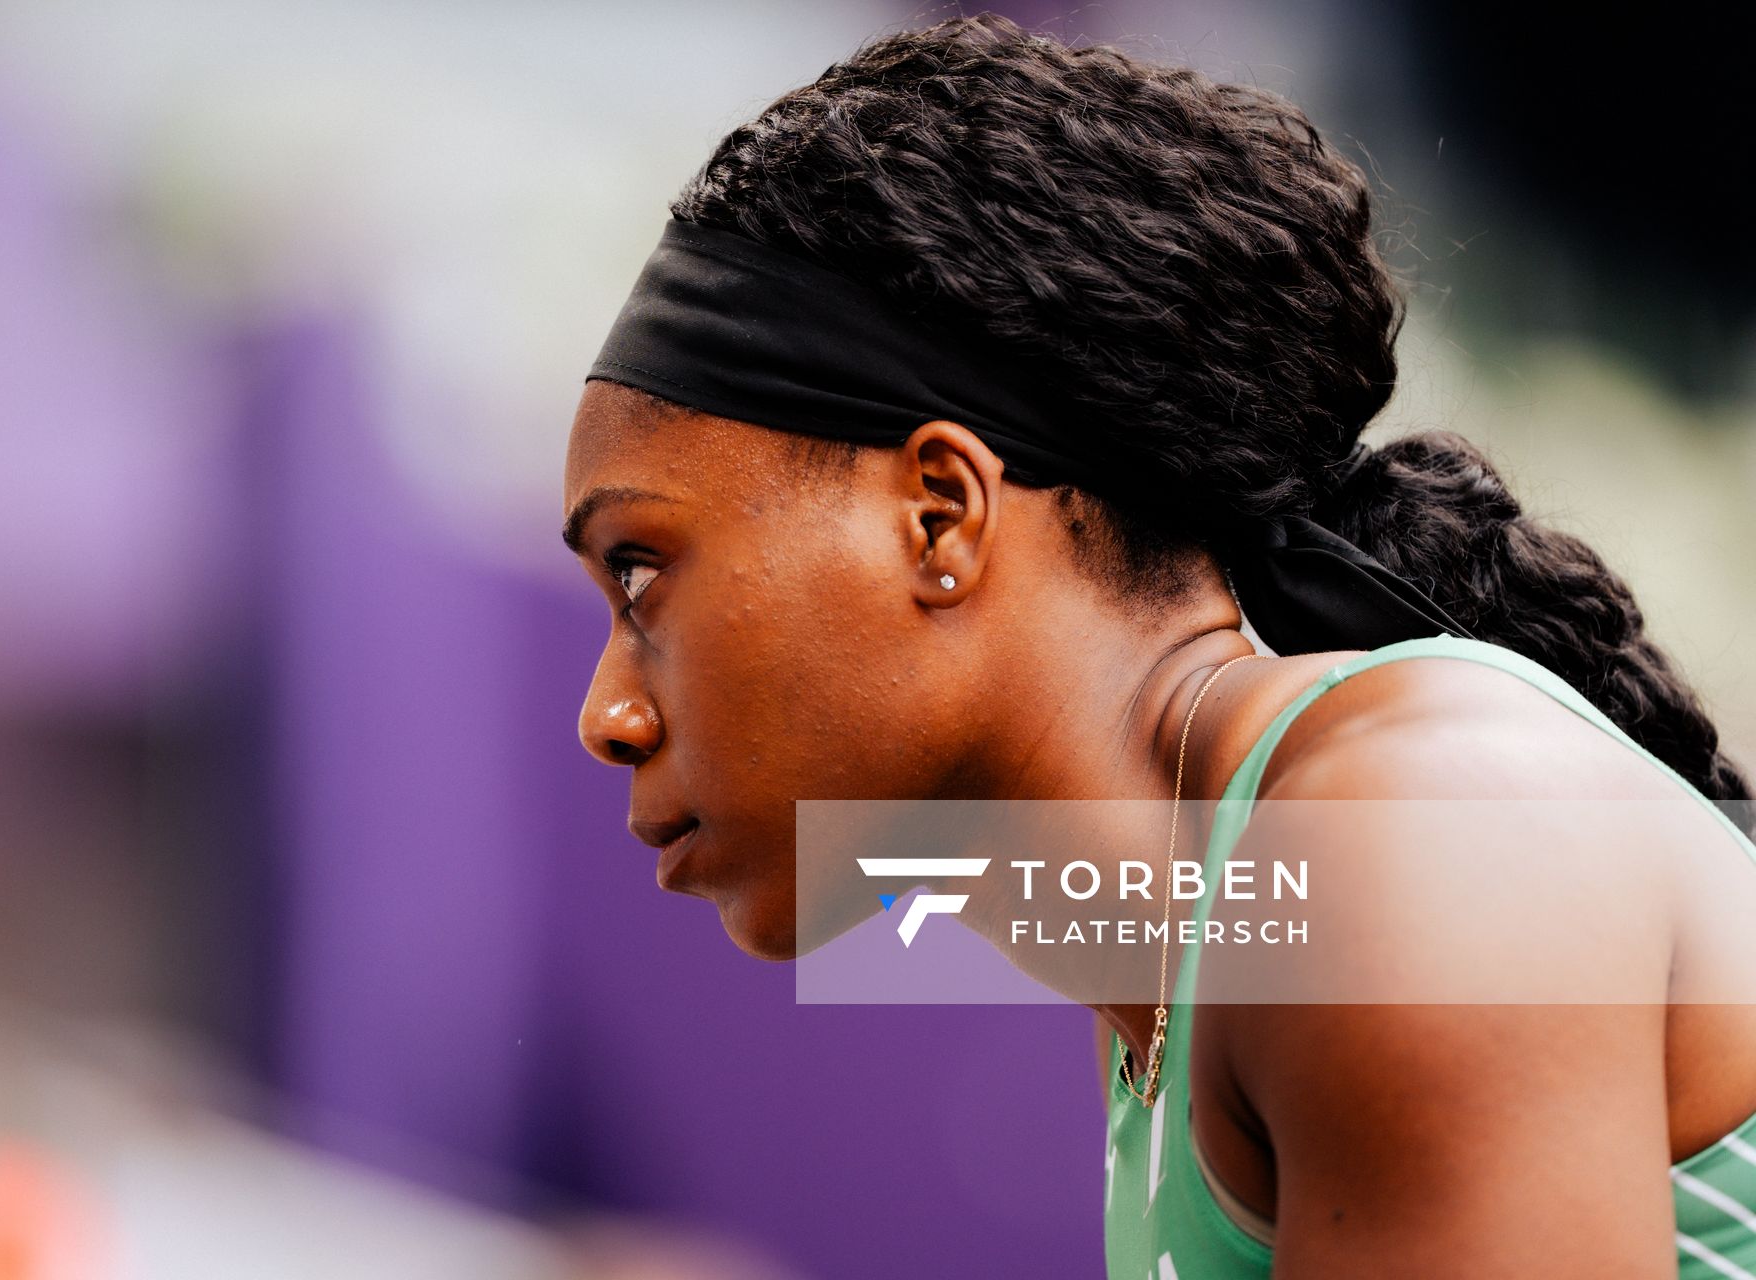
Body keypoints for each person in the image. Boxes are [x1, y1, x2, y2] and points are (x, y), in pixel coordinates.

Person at [561, 15, 1756, 1277]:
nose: (607, 714)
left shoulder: (1401, 835)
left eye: (642, 572)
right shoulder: (1191, 973)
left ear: (940, 516)